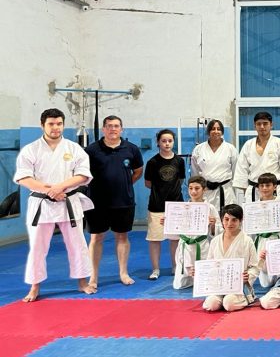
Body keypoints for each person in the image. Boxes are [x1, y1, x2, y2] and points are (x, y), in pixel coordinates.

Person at [14, 108, 95, 302]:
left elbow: (83, 175)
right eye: (51, 124)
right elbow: (24, 177)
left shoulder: (74, 148)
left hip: (68, 200)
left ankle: (83, 282)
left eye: (59, 123)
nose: (56, 127)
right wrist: (49, 190)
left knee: (77, 244)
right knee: (37, 247)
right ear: (43, 125)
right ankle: (34, 287)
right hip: (42, 203)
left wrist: (60, 187)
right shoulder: (31, 149)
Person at [85, 115, 143, 288]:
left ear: (121, 129)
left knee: (122, 236)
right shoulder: (91, 150)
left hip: (123, 201)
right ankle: (93, 277)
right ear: (103, 129)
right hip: (97, 202)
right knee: (96, 238)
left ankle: (123, 273)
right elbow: (82, 174)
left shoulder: (131, 149)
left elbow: (138, 171)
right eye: (109, 126)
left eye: (116, 126)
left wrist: (124, 184)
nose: (113, 129)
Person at [193, 204, 258, 312]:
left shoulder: (247, 241)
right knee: (211, 305)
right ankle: (220, 299)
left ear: (240, 220)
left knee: (229, 304)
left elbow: (255, 267)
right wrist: (200, 273)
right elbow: (209, 264)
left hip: (238, 286)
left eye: (234, 220)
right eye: (226, 219)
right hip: (218, 284)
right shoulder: (215, 241)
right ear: (222, 220)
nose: (229, 223)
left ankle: (246, 297)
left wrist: (248, 276)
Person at [144, 129, 185, 280]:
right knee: (155, 239)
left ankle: (175, 266)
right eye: (164, 141)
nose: (167, 144)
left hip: (176, 205)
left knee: (175, 239)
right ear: (158, 142)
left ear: (173, 142)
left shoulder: (179, 161)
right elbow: (148, 183)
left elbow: (180, 180)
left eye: (170, 141)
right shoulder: (152, 162)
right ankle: (155, 269)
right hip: (156, 205)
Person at [173, 175, 220, 290]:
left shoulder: (210, 208)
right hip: (185, 246)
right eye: (190, 188)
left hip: (202, 245)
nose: (193, 191)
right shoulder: (182, 207)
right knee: (179, 285)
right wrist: (168, 222)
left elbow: (218, 232)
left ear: (204, 190)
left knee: (204, 284)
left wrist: (213, 225)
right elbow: (175, 230)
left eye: (197, 188)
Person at [233, 111, 280, 204]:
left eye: (265, 123)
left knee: (275, 217)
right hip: (253, 190)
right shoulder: (248, 145)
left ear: (271, 125)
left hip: (274, 191)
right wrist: (246, 191)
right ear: (254, 126)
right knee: (254, 217)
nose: (262, 127)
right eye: (259, 124)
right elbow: (242, 170)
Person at [191, 119, 238, 217]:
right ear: (208, 132)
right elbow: (195, 175)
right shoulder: (199, 149)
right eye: (213, 129)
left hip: (225, 190)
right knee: (207, 219)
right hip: (206, 190)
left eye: (218, 129)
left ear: (222, 132)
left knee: (227, 219)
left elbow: (235, 172)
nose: (216, 131)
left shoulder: (230, 149)